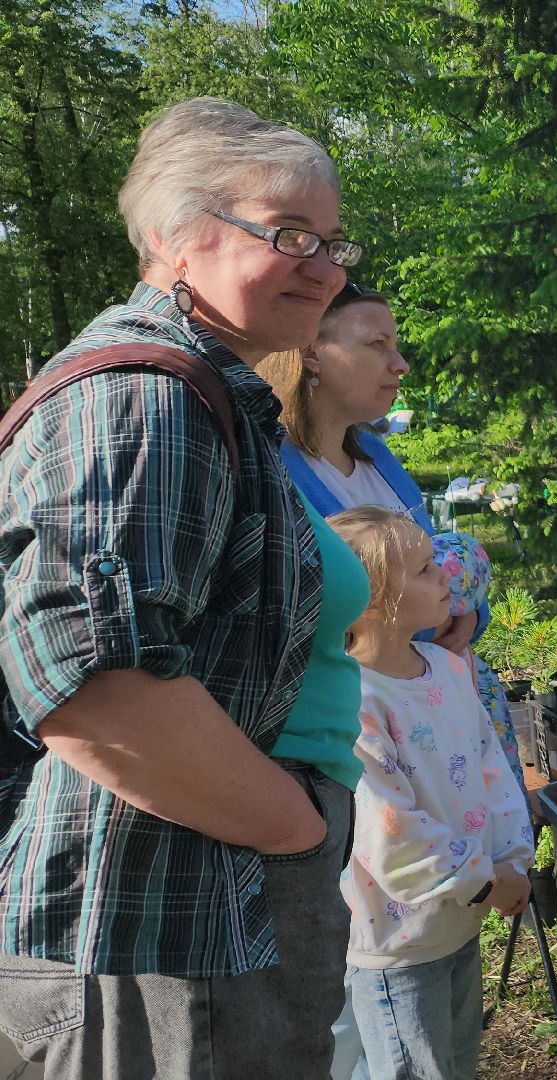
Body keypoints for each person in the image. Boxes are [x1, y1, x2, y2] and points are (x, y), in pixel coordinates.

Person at [0, 98, 366, 1078]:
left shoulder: (201, 391)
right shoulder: (147, 395)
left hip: (198, 906)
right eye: (289, 233)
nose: (328, 268)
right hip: (175, 922)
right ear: (175, 236)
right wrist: (295, 830)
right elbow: (94, 688)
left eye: (333, 242)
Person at [258, 286, 518, 767]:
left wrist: (465, 615)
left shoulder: (375, 456)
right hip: (380, 729)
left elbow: (422, 565)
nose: (400, 364)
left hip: (448, 699)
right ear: (311, 353)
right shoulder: (274, 471)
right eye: (377, 345)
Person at [327, 507, 534, 1080]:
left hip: (459, 923)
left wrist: (511, 859)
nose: (445, 574)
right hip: (398, 946)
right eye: (423, 569)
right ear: (370, 600)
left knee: (457, 1064)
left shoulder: (446, 668)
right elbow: (390, 830)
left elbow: (491, 768)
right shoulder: (354, 699)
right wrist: (486, 880)